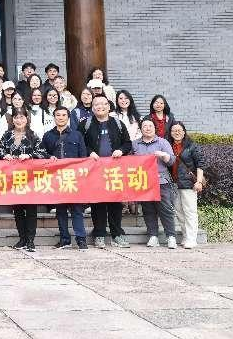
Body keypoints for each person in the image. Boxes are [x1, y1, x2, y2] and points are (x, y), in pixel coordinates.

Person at [80, 95, 133, 248]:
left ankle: (117, 235)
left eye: (104, 104)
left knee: (115, 203)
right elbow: (80, 143)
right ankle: (99, 235)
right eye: (96, 104)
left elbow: (128, 143)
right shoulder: (85, 124)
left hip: (114, 170)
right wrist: (89, 152)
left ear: (109, 107)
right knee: (98, 204)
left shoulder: (118, 123)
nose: (100, 106)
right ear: (92, 107)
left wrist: (121, 150)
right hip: (95, 171)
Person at [41, 106, 89, 250]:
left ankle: (81, 239)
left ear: (68, 118)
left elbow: (83, 156)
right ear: (54, 117)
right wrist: (49, 157)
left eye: (63, 115)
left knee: (77, 210)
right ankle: (64, 239)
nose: (61, 117)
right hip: (56, 178)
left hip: (73, 178)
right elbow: (41, 154)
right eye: (58, 115)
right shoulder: (48, 136)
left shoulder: (77, 135)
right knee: (60, 210)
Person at [0, 109, 45, 251]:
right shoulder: (7, 135)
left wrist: (29, 156)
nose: (19, 120)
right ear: (12, 120)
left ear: (27, 119)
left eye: (22, 117)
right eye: (16, 118)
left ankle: (30, 240)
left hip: (30, 179)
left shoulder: (33, 135)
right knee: (17, 210)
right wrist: (4, 155)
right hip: (13, 179)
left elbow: (42, 153)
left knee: (31, 210)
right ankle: (22, 239)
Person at [133, 116, 178, 249]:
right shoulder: (135, 144)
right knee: (148, 209)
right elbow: (129, 162)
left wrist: (164, 155)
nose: (147, 128)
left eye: (150, 126)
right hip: (143, 182)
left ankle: (171, 236)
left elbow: (172, 161)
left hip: (161, 181)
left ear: (155, 128)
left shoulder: (162, 142)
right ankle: (153, 236)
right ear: (141, 129)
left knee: (165, 209)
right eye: (144, 126)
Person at [168, 121, 204, 249]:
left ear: (184, 132)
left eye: (179, 130)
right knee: (179, 212)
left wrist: (199, 181)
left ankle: (192, 239)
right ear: (170, 133)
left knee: (190, 212)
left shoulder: (191, 146)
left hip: (188, 184)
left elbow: (200, 164)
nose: (177, 132)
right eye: (174, 130)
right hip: (174, 184)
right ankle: (185, 236)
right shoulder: (168, 145)